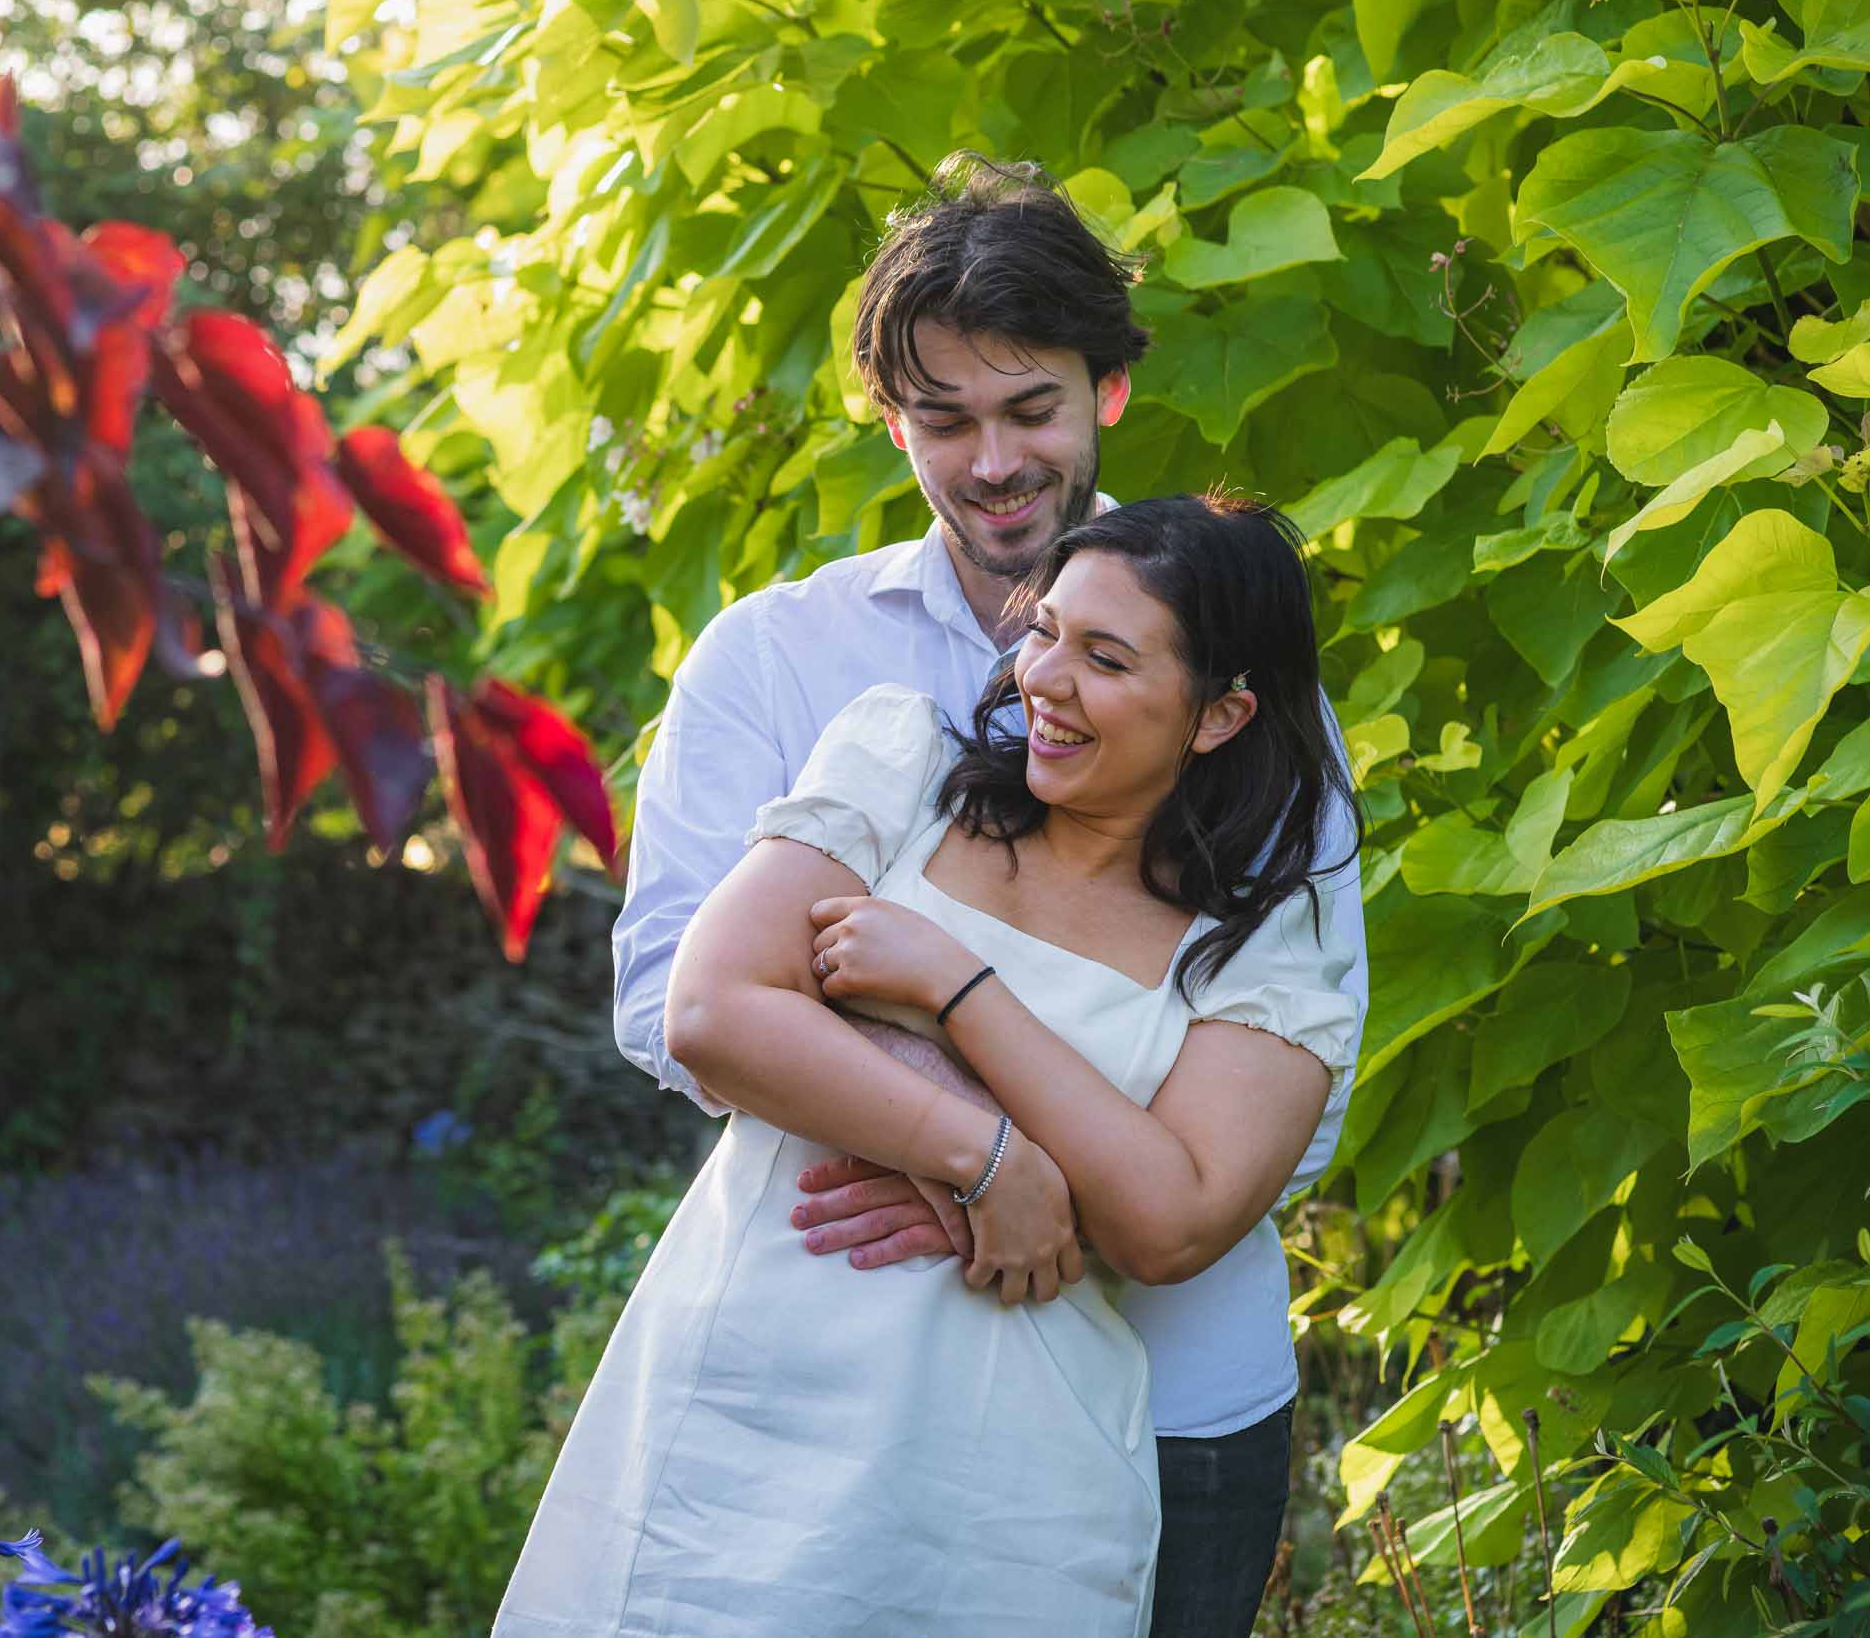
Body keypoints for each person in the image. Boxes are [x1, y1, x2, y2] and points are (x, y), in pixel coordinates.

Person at [603, 153, 1369, 1635]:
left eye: (1032, 409)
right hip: (829, 1378)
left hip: (1173, 1390)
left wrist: (1001, 1147)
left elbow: (1299, 1083)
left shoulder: (1254, 692)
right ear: (893, 421)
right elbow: (674, 1004)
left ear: (1109, 395)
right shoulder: (777, 659)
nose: (994, 460)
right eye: (944, 419)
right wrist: (974, 1153)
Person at [495, 496, 1360, 1635]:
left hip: (998, 1493)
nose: (1044, 677)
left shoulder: (1260, 956)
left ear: (1220, 712)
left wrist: (955, 992)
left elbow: (1171, 1220)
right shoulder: (902, 767)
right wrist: (992, 1161)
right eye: (1043, 629)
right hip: (741, 1417)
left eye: (1104, 656)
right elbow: (709, 1008)